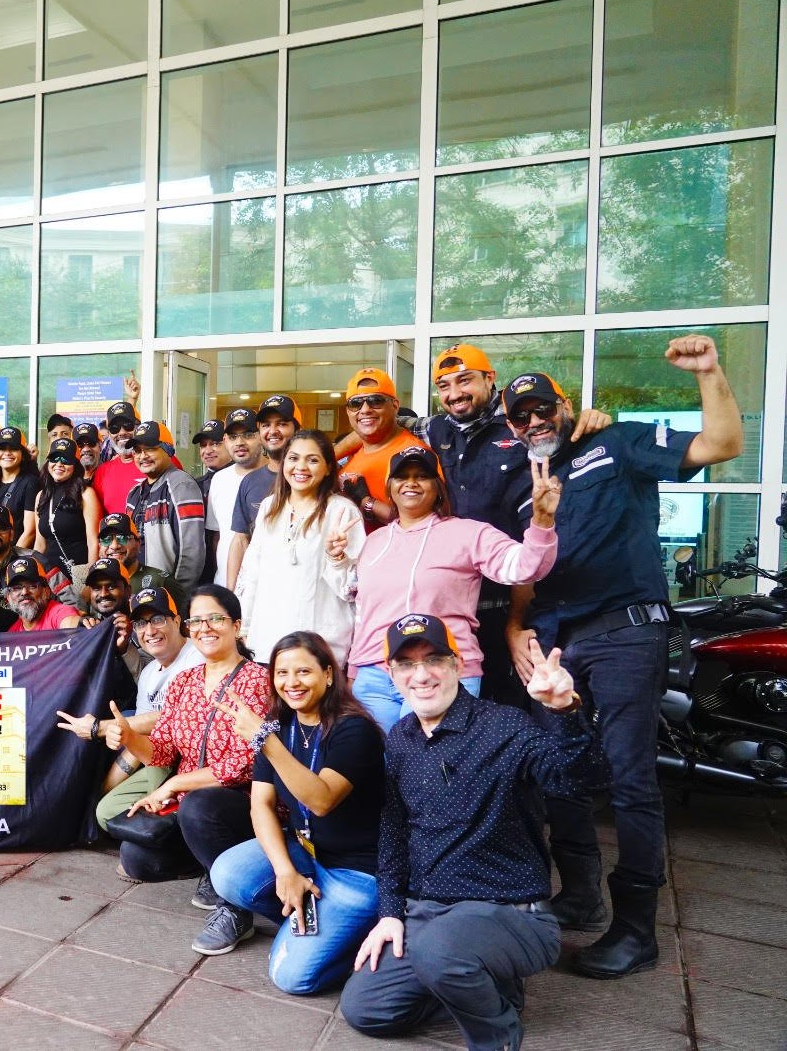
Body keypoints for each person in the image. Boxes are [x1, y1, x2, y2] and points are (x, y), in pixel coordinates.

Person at [502, 335, 743, 979]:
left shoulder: (616, 443)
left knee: (630, 778)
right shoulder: (526, 488)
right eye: (520, 416)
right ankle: (580, 897)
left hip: (626, 632)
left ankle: (637, 931)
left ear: (565, 405)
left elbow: (721, 444)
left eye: (542, 407)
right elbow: (526, 571)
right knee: (557, 770)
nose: (533, 421)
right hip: (556, 643)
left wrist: (709, 373)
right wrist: (515, 629)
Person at [340, 614, 611, 1047]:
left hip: (509, 911)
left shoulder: (504, 725)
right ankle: (482, 981)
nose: (421, 675)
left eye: (434, 659)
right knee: (367, 1010)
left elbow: (580, 781)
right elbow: (394, 831)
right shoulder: (402, 738)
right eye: (406, 664)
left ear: (458, 664)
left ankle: (496, 1034)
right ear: (391, 674)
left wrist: (564, 711)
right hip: (429, 913)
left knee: (440, 954)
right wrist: (389, 912)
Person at [202, 631, 385, 976]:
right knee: (227, 874)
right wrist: (285, 871)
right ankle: (310, 918)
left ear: (328, 675)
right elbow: (261, 805)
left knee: (292, 977)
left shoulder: (354, 730)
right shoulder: (279, 728)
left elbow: (321, 800)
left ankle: (357, 935)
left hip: (356, 871)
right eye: (282, 673)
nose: (292, 682)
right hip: (306, 854)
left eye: (303, 671)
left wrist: (265, 742)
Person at [348, 446, 559, 733]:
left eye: (422, 476)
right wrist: (353, 671)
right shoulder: (373, 542)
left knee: (433, 759)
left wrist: (542, 523)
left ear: (438, 487)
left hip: (443, 670)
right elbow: (363, 614)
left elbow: (525, 567)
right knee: (378, 760)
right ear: (390, 486)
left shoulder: (469, 533)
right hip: (374, 678)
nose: (411, 483)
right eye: (402, 477)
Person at [105, 584, 271, 884]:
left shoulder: (257, 680)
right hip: (186, 806)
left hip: (242, 803)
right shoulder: (184, 681)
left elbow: (247, 763)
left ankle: (223, 882)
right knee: (134, 856)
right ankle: (202, 859)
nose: (204, 628)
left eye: (215, 619)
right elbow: (163, 751)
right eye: (196, 621)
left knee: (200, 806)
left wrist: (174, 784)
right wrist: (130, 737)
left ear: (236, 626)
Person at [60, 587, 203, 818]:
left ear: (177, 621)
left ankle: (170, 814)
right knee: (105, 812)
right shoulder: (148, 672)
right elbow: (139, 737)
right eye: (140, 624)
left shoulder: (197, 655)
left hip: (196, 763)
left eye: (158, 619)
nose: (150, 631)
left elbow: (173, 718)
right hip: (159, 761)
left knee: (153, 741)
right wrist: (103, 790)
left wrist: (100, 727)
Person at [234, 430, 362, 666]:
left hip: (320, 647)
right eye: (293, 458)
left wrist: (337, 558)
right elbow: (251, 572)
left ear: (328, 468)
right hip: (266, 644)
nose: (301, 467)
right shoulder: (269, 507)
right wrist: (244, 626)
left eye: (312, 460)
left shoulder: (342, 511)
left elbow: (353, 591)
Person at [334, 369, 426, 531]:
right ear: (348, 411)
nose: (365, 410)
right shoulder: (353, 451)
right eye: (355, 403)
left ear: (395, 406)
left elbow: (421, 522)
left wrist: (366, 501)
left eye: (376, 401)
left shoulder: (413, 454)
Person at [226, 395, 297, 589]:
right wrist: (231, 595)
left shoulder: (309, 477)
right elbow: (240, 539)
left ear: (297, 429)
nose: (272, 431)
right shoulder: (250, 481)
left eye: (282, 424)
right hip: (260, 587)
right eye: (266, 425)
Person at [126, 421, 206, 592]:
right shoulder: (134, 492)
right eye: (138, 451)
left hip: (166, 594)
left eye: (150, 448)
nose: (142, 456)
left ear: (168, 449)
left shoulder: (181, 485)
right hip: (138, 591)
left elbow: (192, 550)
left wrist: (177, 594)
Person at [0, 504, 76, 611]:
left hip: (33, 625)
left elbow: (72, 601)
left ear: (11, 534)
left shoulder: (36, 560)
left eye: (1, 528)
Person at [33, 437, 100, 583]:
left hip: (77, 576)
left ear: (75, 465)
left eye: (65, 460)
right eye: (54, 458)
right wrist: (32, 576)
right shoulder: (41, 496)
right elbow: (40, 544)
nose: (59, 464)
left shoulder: (86, 494)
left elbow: (93, 541)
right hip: (49, 578)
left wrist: (92, 579)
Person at [203, 408, 256, 585]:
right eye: (233, 437)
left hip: (264, 585)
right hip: (223, 582)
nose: (240, 442)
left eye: (248, 435)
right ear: (226, 440)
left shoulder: (279, 478)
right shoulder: (219, 480)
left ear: (260, 437)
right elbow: (217, 535)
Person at [95, 512, 187, 612]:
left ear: (138, 543)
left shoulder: (162, 582)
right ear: (99, 546)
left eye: (123, 538)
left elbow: (181, 621)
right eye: (106, 540)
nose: (114, 546)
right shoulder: (92, 585)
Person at [0, 427, 38, 547]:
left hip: (18, 555)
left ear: (23, 454)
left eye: (13, 448)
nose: (7, 453)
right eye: (2, 448)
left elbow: (30, 531)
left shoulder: (30, 483)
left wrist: (11, 557)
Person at [92, 401, 145, 516]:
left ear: (139, 427)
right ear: (109, 434)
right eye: (114, 428)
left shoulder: (158, 462)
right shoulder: (102, 472)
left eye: (128, 425)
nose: (122, 432)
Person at [5, 556, 82, 632]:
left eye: (32, 586)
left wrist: (81, 624)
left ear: (47, 591)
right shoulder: (12, 632)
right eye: (17, 588)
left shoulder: (60, 612)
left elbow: (71, 624)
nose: (24, 592)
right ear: (8, 597)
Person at [192, 418, 230, 502]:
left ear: (230, 444)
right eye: (203, 445)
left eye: (215, 444)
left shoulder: (243, 480)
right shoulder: (196, 485)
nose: (208, 451)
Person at [74, 422, 102, 488]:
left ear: (100, 445)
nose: (86, 449)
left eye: (91, 443)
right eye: (80, 444)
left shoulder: (109, 474)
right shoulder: (68, 477)